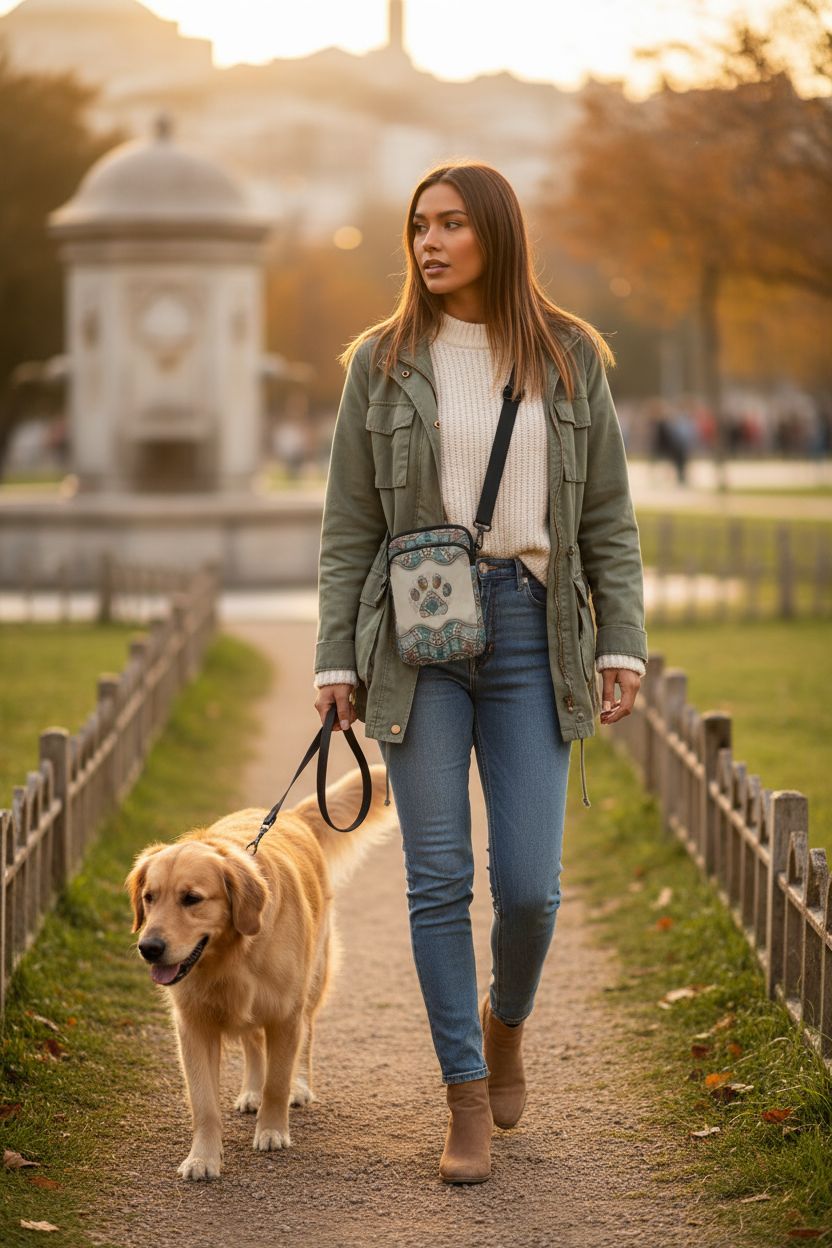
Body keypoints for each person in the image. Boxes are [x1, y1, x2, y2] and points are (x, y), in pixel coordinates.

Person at [313, 161, 646, 1185]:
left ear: (496, 233)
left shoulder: (569, 355)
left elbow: (606, 521)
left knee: (531, 889)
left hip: (531, 623)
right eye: (419, 225)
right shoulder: (381, 361)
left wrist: (619, 639)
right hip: (417, 638)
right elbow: (347, 528)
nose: (431, 242)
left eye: (453, 224)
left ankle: (506, 1023)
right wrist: (335, 655)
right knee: (437, 879)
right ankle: (463, 1092)